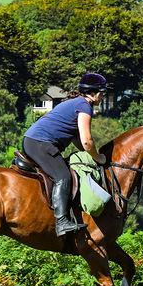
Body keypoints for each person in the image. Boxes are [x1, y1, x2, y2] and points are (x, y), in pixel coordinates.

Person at [23, 73, 109, 236]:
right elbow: (86, 142)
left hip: (34, 141)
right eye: (102, 92)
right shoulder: (85, 106)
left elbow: (77, 140)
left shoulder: (76, 103)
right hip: (40, 144)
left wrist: (89, 155)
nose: (103, 96)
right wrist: (99, 158)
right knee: (63, 177)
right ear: (95, 92)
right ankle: (62, 222)